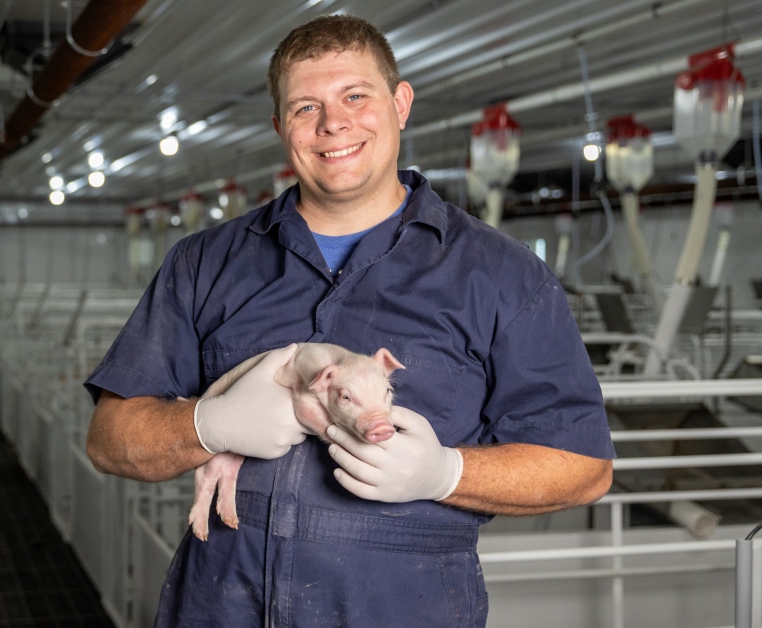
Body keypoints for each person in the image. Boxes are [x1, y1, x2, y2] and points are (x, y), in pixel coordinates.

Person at [84, 14, 614, 627]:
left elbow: (583, 467)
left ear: (401, 103)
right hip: (219, 605)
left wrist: (445, 474)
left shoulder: (502, 275)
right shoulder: (204, 263)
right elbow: (109, 438)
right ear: (281, 125)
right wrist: (207, 423)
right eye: (306, 106)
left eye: (355, 96)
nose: (333, 123)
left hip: (402, 608)